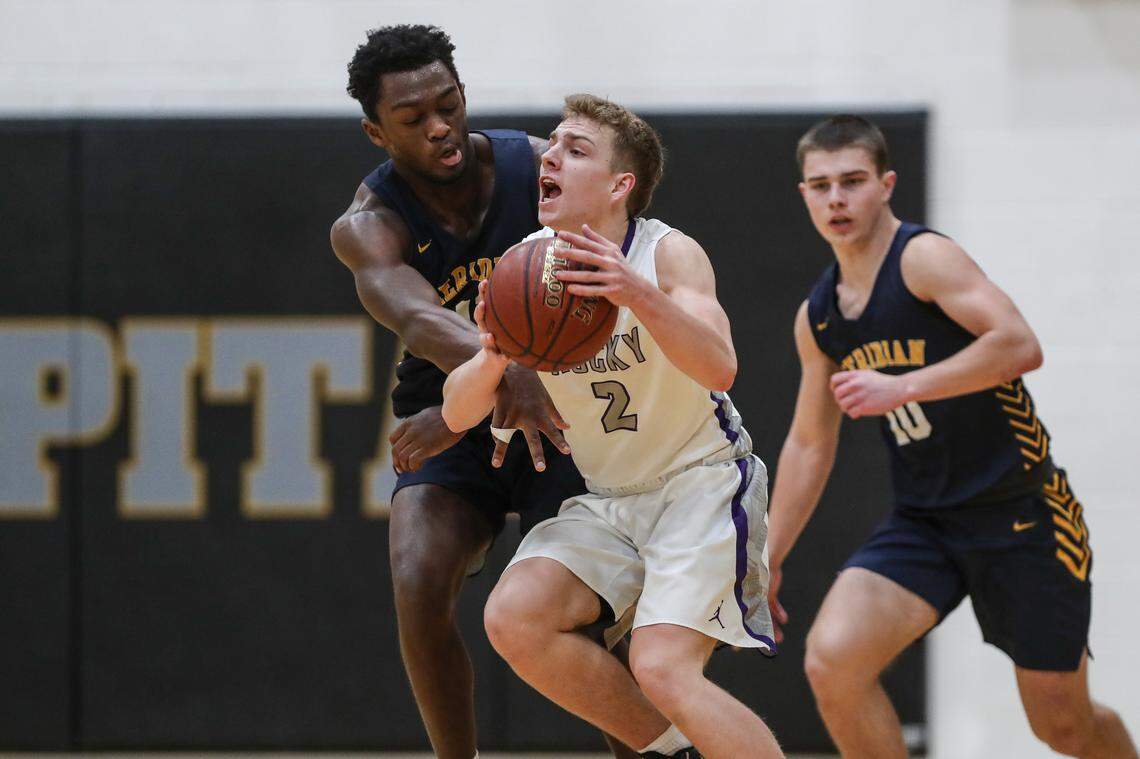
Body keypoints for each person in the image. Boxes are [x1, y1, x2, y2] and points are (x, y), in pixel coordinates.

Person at [765, 114, 1137, 759]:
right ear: (803, 196)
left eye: (852, 181)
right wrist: (766, 558)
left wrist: (903, 386)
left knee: (1063, 727)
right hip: (925, 523)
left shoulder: (924, 259)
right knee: (833, 662)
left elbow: (1019, 344)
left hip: (1021, 513)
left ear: (885, 185)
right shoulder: (819, 317)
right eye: (820, 185)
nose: (836, 199)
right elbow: (807, 444)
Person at [442, 94, 783, 759]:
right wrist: (491, 351)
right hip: (612, 499)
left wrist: (634, 292)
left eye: (576, 148)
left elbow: (720, 366)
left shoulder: (667, 255)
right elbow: (458, 412)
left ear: (620, 184)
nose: (551, 155)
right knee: (516, 617)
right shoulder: (528, 266)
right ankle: (675, 751)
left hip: (702, 484)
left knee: (662, 666)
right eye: (552, 144)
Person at [330, 26, 637, 759]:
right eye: (413, 119)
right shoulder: (367, 226)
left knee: (589, 612)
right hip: (452, 418)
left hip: (558, 409)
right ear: (377, 132)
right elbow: (419, 317)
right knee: (417, 579)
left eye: (449, 102)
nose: (440, 126)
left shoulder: (536, 167)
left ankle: (649, 749)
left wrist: (530, 371)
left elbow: (626, 269)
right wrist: (507, 370)